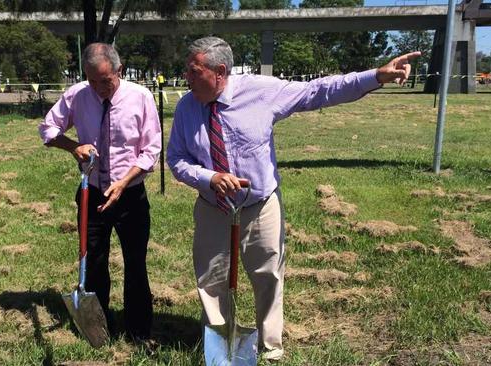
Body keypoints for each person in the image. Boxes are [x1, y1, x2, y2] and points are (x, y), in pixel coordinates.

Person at [166, 36, 420, 361]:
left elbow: (318, 90)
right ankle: (222, 348)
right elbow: (176, 158)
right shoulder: (187, 106)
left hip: (259, 207)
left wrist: (376, 76)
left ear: (220, 71)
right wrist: (209, 178)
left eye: (193, 71)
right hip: (213, 208)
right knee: (212, 280)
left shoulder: (261, 92)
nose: (187, 78)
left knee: (268, 276)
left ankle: (270, 348)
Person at [38, 42, 161, 341]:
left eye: (104, 80)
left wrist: (124, 181)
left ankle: (139, 331)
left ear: (119, 70)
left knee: (135, 263)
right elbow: (47, 129)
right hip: (92, 192)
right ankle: (98, 327)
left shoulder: (141, 97)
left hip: (130, 194)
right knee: (93, 261)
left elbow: (151, 149)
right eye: (92, 80)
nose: (98, 88)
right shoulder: (78, 95)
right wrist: (73, 147)